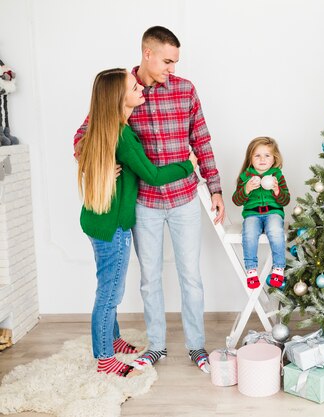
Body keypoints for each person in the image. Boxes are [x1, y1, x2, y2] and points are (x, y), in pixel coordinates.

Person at [74, 26, 225, 374]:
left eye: (175, 62)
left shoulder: (185, 89)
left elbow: (201, 139)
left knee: (191, 277)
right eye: (167, 61)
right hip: (144, 205)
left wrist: (215, 189)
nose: (171, 68)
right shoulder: (124, 92)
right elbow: (86, 134)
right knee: (149, 279)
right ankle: (156, 346)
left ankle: (196, 347)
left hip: (185, 200)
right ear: (147, 54)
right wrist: (99, 163)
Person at [77, 68, 197, 377]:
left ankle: (113, 339)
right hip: (112, 227)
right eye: (134, 87)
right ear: (120, 98)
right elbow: (154, 176)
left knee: (107, 286)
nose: (140, 87)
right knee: (110, 293)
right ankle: (105, 358)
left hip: (98, 221)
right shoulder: (124, 137)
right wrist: (188, 165)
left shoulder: (110, 128)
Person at [232, 136, 290, 289]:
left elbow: (286, 200)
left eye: (267, 155)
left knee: (276, 231)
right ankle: (251, 270)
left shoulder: (277, 176)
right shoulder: (245, 177)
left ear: (274, 159)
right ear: (250, 159)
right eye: (257, 155)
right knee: (249, 233)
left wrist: (277, 190)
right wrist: (247, 189)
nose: (262, 159)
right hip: (252, 214)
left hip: (273, 213)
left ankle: (278, 268)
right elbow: (236, 200)